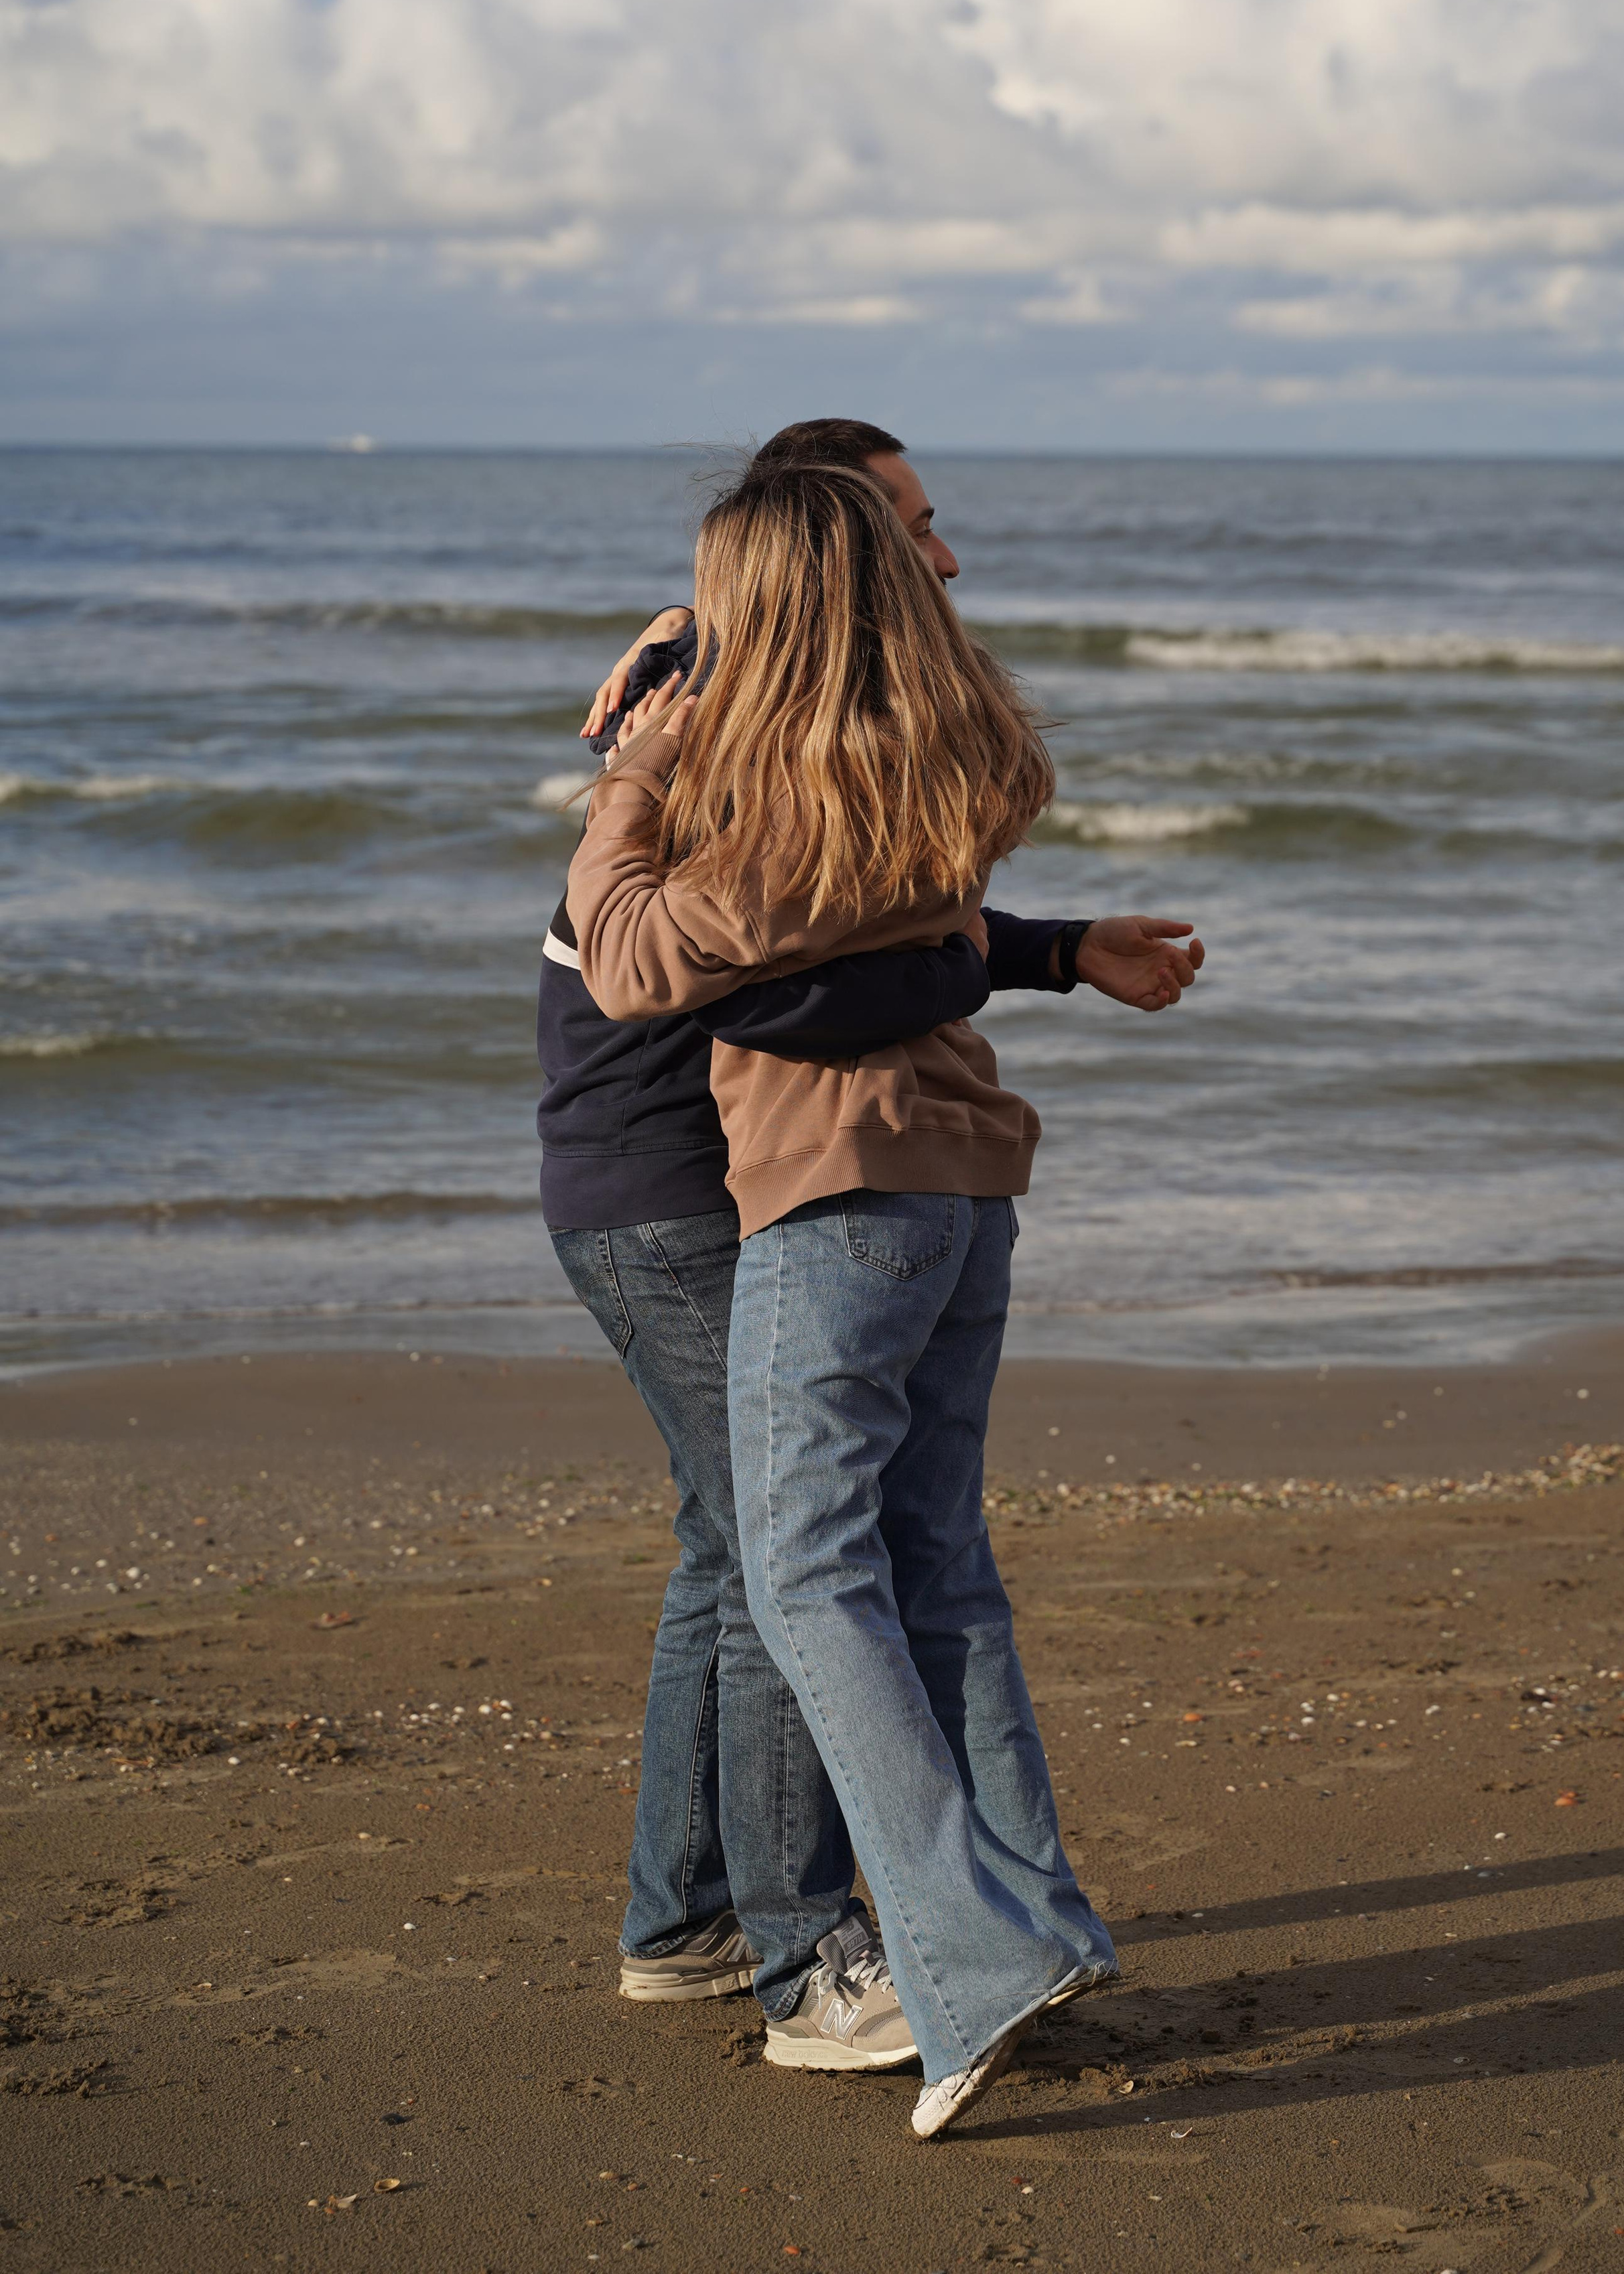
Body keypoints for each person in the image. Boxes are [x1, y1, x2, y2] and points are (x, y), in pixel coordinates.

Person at [541, 423, 1202, 2086]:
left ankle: (792, 1956)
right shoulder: (801, 731)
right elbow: (805, 960)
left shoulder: (753, 743)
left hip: (809, 1179)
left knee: (781, 1560)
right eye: (914, 526)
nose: (946, 558)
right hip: (678, 1183)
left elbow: (759, 964)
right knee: (810, 1555)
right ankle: (737, 1930)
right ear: (834, 554)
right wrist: (1018, 957)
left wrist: (636, 766)